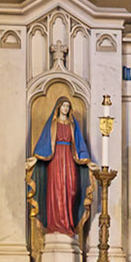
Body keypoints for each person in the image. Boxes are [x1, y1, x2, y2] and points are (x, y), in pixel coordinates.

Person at [29, 96, 93, 238]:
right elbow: (44, 144)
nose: (65, 108)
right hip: (55, 160)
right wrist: (35, 158)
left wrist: (88, 161)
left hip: (70, 160)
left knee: (72, 190)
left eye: (67, 106)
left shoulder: (72, 124)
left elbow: (79, 144)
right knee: (56, 191)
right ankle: (55, 225)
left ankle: (68, 224)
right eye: (63, 106)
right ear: (58, 108)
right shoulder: (52, 124)